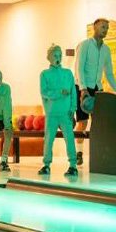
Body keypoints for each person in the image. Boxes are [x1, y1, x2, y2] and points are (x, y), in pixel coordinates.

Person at [39, 44, 78, 177]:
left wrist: (73, 108)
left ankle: (73, 165)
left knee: (70, 138)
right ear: (48, 57)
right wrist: (59, 92)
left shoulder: (68, 73)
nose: (58, 58)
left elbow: (74, 92)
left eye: (60, 55)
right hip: (51, 113)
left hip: (66, 112)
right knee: (49, 139)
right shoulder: (44, 74)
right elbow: (44, 92)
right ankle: (46, 165)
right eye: (55, 55)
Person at [75, 17, 116, 121]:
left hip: (97, 89)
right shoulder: (85, 45)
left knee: (99, 122)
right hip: (82, 88)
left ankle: (94, 138)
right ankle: (80, 138)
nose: (105, 30)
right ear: (95, 27)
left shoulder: (106, 50)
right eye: (103, 27)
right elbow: (79, 68)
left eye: (107, 28)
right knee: (82, 122)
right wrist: (83, 89)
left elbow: (109, 73)